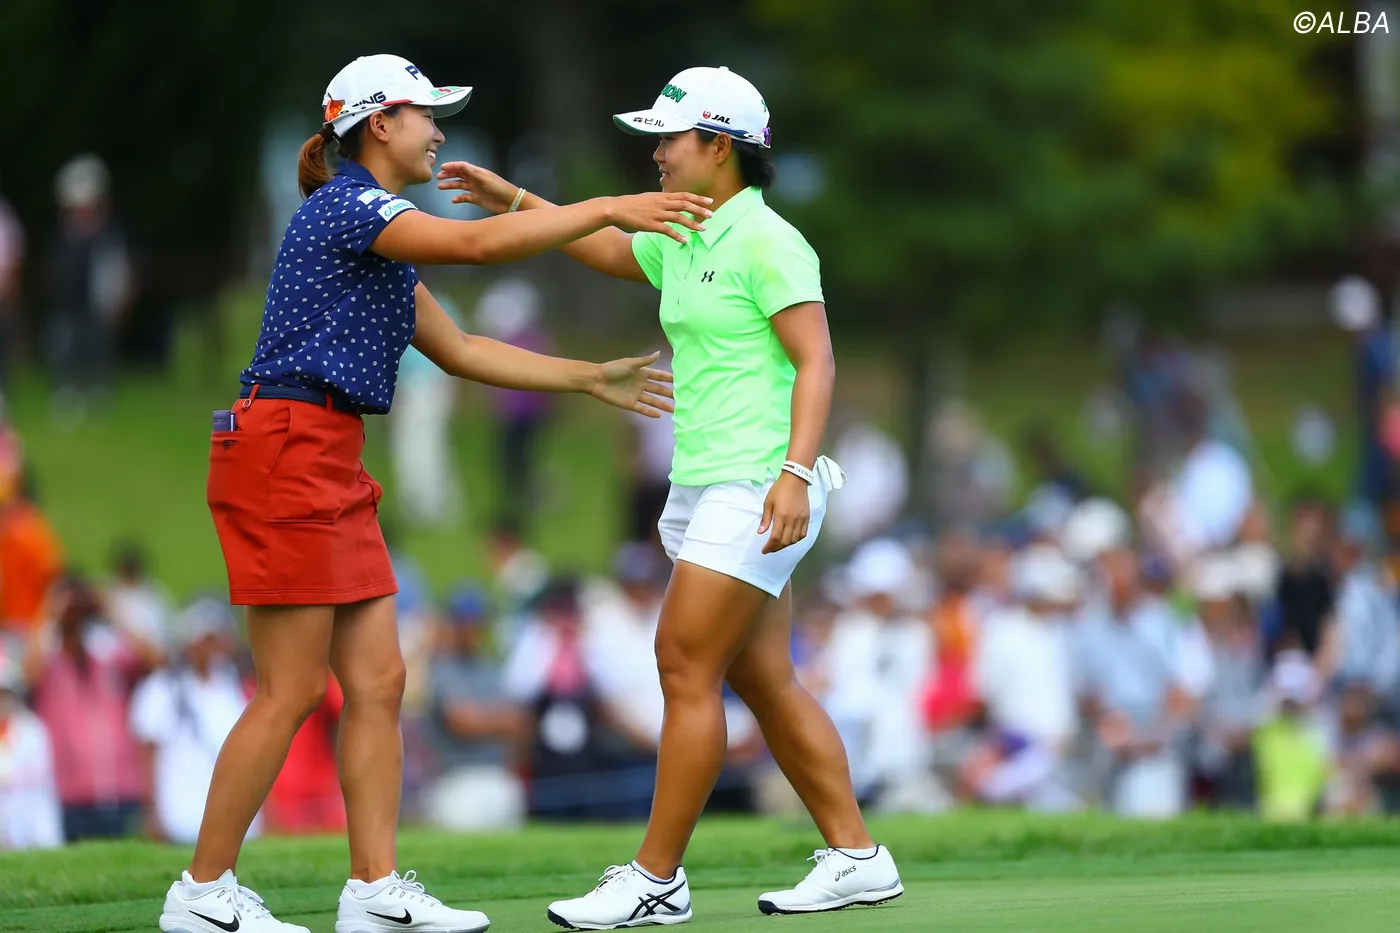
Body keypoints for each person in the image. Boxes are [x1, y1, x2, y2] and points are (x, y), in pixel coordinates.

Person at [161, 54, 710, 933]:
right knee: (290, 689)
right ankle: (201, 890)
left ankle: (374, 889)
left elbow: (462, 350)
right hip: (285, 447)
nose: (438, 131)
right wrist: (606, 207)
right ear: (380, 123)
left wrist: (586, 377)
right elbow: (477, 243)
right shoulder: (351, 206)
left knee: (380, 679)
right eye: (427, 114)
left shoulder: (380, 241)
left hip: (328, 451)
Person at [439, 65, 901, 928]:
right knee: (763, 678)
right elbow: (608, 248)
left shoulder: (768, 240)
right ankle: (857, 856)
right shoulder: (683, 231)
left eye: (670, 137)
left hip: (760, 482)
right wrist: (515, 200)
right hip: (705, 481)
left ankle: (656, 876)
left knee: (683, 663)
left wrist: (796, 473)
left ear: (719, 146)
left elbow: (817, 362)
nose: (656, 152)